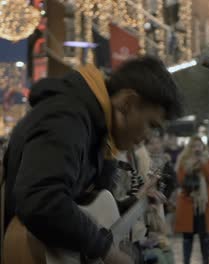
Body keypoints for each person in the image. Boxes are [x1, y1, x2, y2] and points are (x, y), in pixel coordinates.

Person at [2, 56, 183, 263]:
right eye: (151, 124)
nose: (150, 137)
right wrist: (107, 251)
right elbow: (41, 200)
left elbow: (86, 210)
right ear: (127, 102)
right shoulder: (66, 118)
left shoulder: (100, 135)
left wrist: (135, 203)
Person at [174, 136, 209, 264]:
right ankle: (186, 261)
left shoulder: (208, 160)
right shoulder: (183, 160)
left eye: (199, 145)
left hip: (204, 204)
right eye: (194, 146)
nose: (197, 148)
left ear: (203, 147)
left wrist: (203, 164)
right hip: (187, 201)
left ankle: (206, 261)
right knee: (187, 236)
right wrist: (189, 166)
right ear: (189, 148)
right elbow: (180, 180)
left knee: (204, 236)